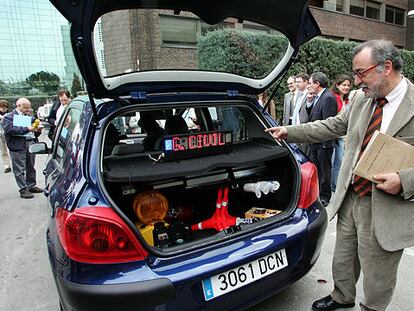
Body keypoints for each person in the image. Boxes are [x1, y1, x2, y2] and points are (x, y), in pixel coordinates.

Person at [265, 39, 414, 311]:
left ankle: (372, 307)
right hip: (350, 196)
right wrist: (290, 132)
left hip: (387, 204)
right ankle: (342, 296)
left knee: (378, 272)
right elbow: (334, 125)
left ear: (387, 67)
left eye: (361, 73)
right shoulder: (361, 99)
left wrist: (404, 180)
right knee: (343, 257)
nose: (356, 82)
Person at [304, 72, 338, 206]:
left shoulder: (328, 98)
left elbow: (329, 123)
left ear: (317, 84)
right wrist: (309, 102)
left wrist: (326, 144)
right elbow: (313, 116)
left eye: (311, 83)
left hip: (323, 144)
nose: (309, 86)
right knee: (316, 170)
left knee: (325, 171)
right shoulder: (318, 97)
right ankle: (316, 194)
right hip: (315, 142)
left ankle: (325, 196)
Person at [2, 98, 43, 199]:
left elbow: (35, 128)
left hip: (30, 144)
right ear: (18, 106)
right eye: (25, 107)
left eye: (29, 107)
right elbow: (9, 129)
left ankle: (31, 185)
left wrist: (38, 129)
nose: (28, 109)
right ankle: (23, 189)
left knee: (31, 166)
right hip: (17, 145)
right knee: (19, 169)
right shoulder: (9, 117)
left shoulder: (29, 116)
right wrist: (27, 128)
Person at [331, 74, 352, 192]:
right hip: (334, 136)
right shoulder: (333, 98)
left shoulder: (348, 100)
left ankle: (336, 185)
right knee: (334, 161)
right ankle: (333, 185)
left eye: (348, 85)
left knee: (339, 161)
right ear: (337, 85)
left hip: (344, 136)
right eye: (344, 85)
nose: (346, 87)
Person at [0, 99, 12, 173]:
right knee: (3, 151)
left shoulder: (10, 115)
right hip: (0, 135)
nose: (3, 109)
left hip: (9, 134)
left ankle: (14, 164)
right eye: (1, 107)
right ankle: (7, 166)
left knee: (12, 150)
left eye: (5, 107)